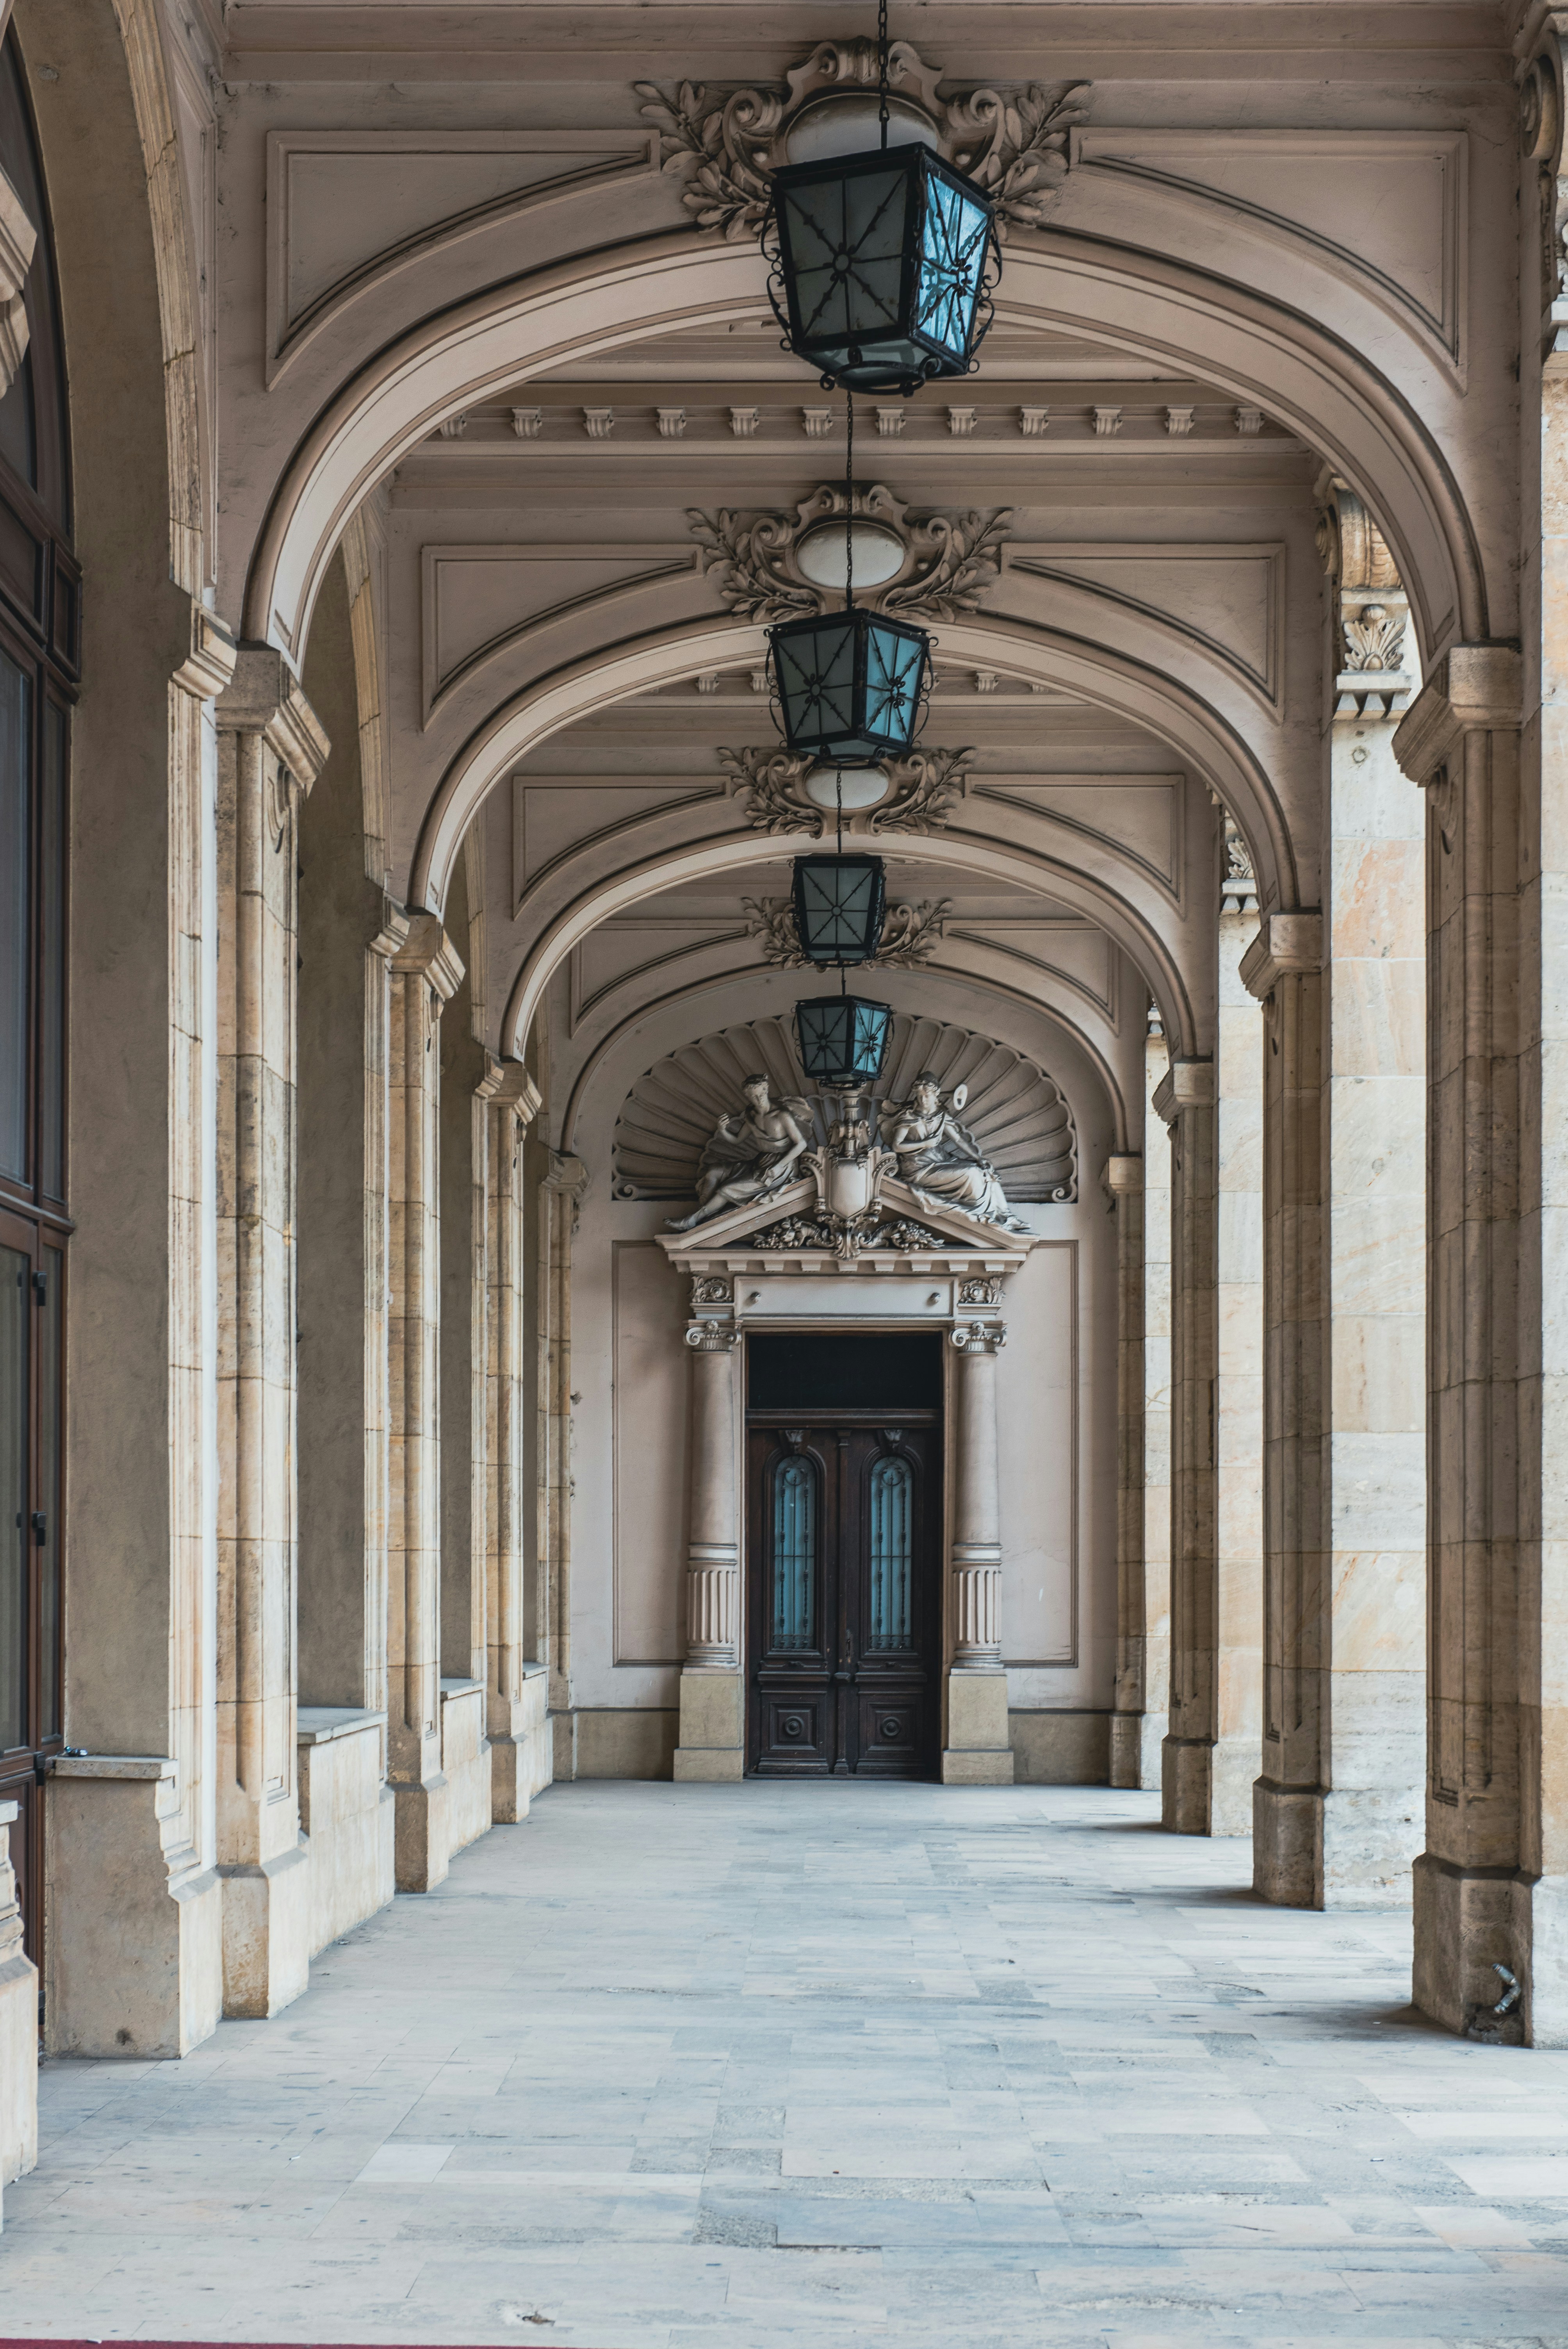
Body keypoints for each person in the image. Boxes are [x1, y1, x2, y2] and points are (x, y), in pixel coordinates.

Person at [881, 1072, 1027, 1230]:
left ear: (936, 1094)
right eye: (920, 1096)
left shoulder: (940, 1116)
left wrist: (978, 1158)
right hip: (919, 1169)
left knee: (984, 1170)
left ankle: (1006, 1216)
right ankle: (986, 1214)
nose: (923, 1100)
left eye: (927, 1096)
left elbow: (958, 1140)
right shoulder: (908, 1117)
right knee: (971, 1173)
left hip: (939, 1161)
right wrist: (925, 1143)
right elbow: (897, 1146)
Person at [666, 1074, 812, 1230]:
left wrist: (778, 1166)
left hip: (783, 1166)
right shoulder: (752, 1115)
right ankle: (707, 1214)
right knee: (714, 1171)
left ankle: (692, 1220)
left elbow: (801, 1144)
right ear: (748, 1097)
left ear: (767, 1090)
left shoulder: (782, 1115)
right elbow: (737, 1140)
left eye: (762, 1094)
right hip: (761, 1161)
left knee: (726, 1189)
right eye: (754, 1097)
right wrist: (722, 1130)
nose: (759, 1099)